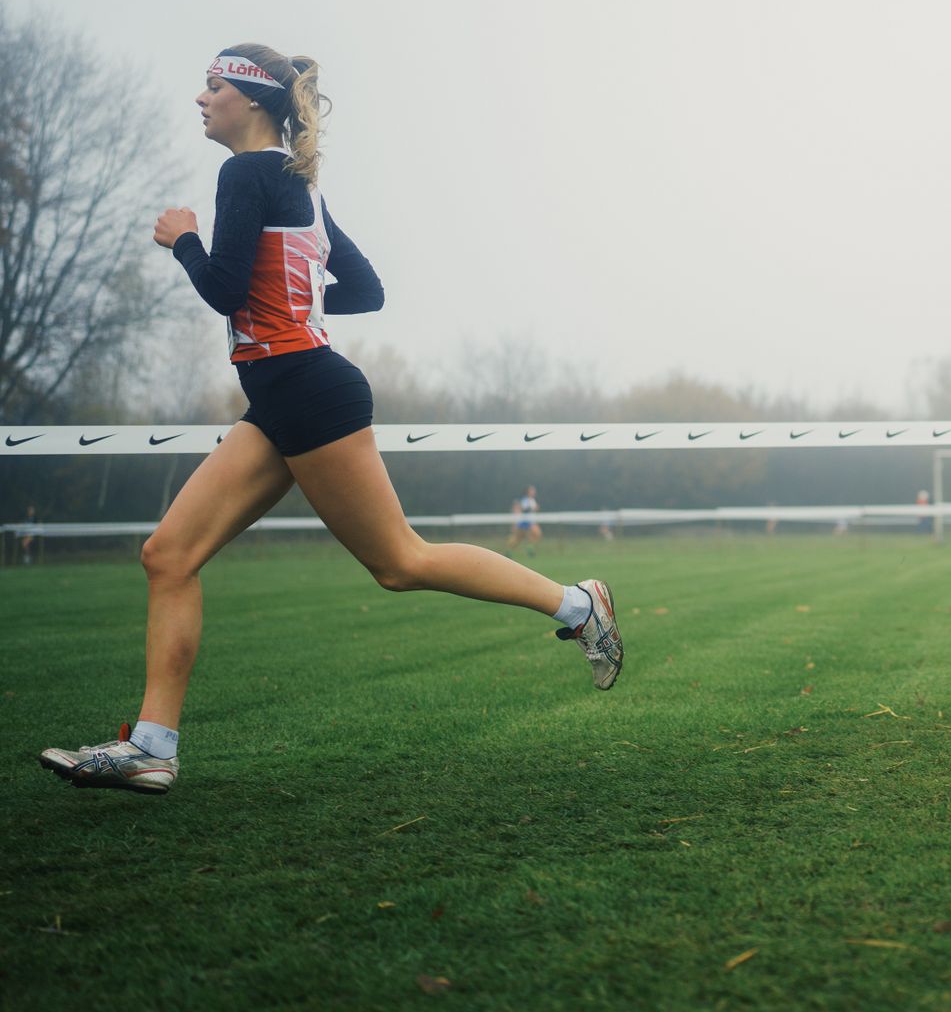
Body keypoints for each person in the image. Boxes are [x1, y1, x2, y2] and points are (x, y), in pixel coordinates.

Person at [39, 45, 622, 797]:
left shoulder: (245, 174)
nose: (199, 99)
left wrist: (181, 237)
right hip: (286, 397)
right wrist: (297, 303)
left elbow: (222, 289)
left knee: (399, 563)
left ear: (249, 100)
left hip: (308, 394)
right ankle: (152, 746)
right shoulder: (300, 185)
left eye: (212, 86)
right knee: (168, 555)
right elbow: (367, 290)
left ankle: (581, 604)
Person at [506, 485, 543, 555]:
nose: (534, 492)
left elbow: (533, 511)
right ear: (528, 492)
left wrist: (536, 509)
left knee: (518, 539)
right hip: (525, 522)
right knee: (537, 533)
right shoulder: (525, 500)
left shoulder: (532, 500)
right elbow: (522, 510)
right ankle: (529, 548)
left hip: (529, 521)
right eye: (532, 490)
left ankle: (509, 551)